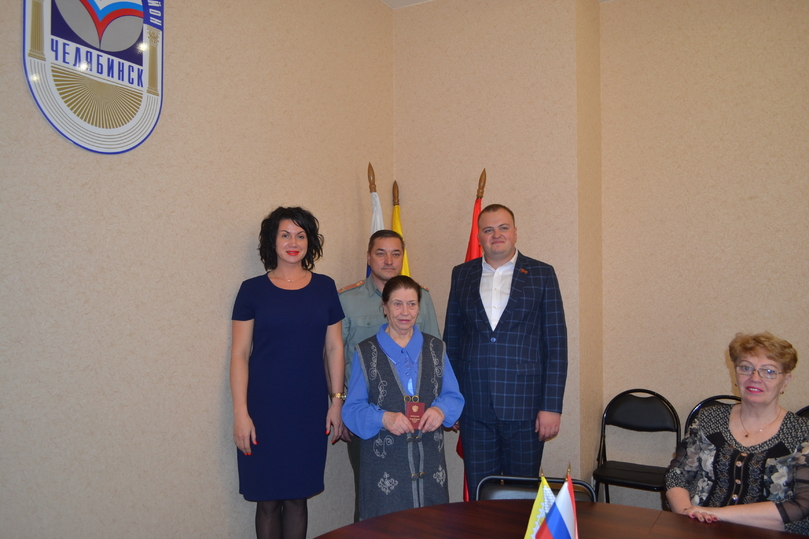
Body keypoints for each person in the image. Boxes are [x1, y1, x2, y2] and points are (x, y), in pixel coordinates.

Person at [230, 207, 345, 539]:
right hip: (262, 410)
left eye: (300, 235)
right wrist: (240, 413)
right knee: (267, 501)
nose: (293, 243)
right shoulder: (252, 290)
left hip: (308, 409)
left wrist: (337, 402)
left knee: (297, 498)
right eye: (285, 235)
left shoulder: (325, 287)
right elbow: (239, 354)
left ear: (310, 242)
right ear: (272, 240)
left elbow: (334, 348)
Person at [444, 203, 568, 500]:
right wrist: (452, 400)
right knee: (481, 495)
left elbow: (556, 345)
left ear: (515, 232)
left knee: (521, 496)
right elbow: (453, 342)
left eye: (503, 228)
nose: (496, 234)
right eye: (488, 229)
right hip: (474, 407)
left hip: (526, 407)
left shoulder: (541, 274)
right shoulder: (462, 274)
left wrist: (551, 406)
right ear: (479, 237)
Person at [338, 229, 441, 520]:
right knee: (372, 496)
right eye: (380, 253)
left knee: (421, 498)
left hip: (419, 419)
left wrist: (444, 407)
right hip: (367, 415)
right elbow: (333, 357)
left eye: (396, 253)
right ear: (368, 257)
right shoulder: (347, 299)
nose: (388, 260)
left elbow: (436, 357)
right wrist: (338, 406)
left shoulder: (422, 297)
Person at [343, 275, 464, 520]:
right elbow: (352, 409)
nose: (405, 312)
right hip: (384, 475)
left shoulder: (436, 348)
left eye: (412, 304)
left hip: (430, 471)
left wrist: (441, 410)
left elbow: (453, 396)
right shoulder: (365, 352)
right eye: (397, 304)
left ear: (419, 308)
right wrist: (383, 418)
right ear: (385, 307)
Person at [666, 332, 809, 534]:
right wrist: (687, 516)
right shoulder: (709, 418)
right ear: (735, 374)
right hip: (700, 529)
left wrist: (717, 514)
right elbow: (677, 476)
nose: (755, 378)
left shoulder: (802, 432)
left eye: (769, 371)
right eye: (746, 368)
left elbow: (802, 504)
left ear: (785, 381)